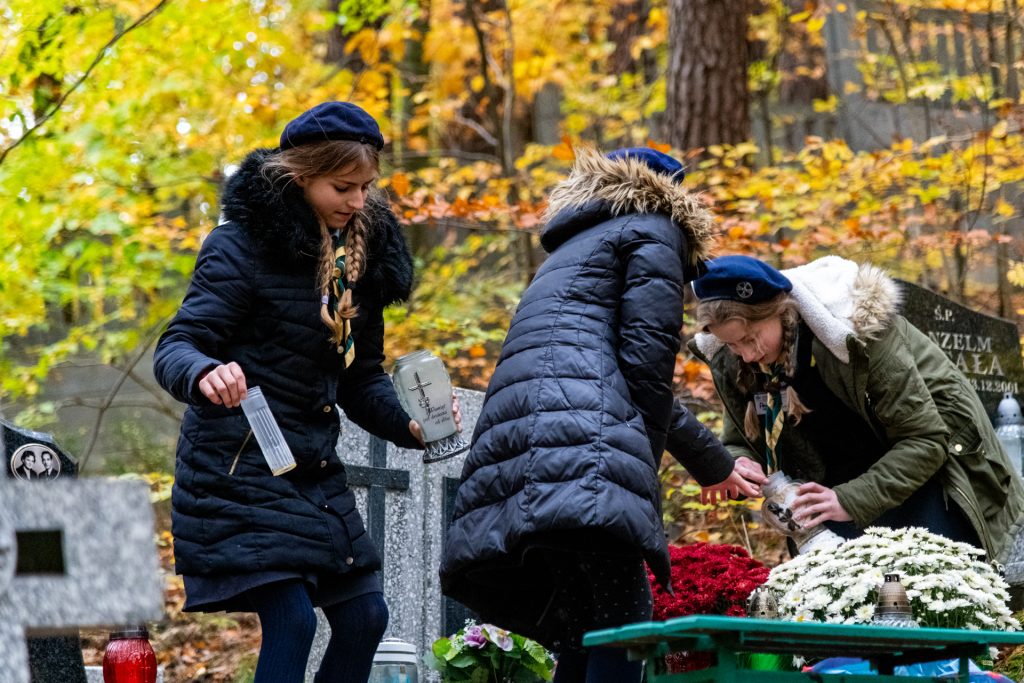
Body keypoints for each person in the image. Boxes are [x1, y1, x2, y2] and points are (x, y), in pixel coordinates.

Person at [439, 148, 763, 683]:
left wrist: (712, 464)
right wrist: (639, 482)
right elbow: (646, 373)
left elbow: (611, 380)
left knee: (583, 627)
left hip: (532, 443)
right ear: (675, 194)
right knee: (623, 622)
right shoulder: (656, 231)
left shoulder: (572, 248)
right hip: (584, 449)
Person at [154, 101, 448, 683]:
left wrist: (409, 425)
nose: (358, 201)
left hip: (311, 469)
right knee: (293, 620)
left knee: (366, 616)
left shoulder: (361, 262)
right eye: (343, 186)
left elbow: (361, 379)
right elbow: (178, 345)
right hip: (237, 470)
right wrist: (204, 372)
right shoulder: (239, 247)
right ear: (300, 174)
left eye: (366, 187)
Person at [689, 254, 1024, 561]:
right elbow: (740, 441)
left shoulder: (860, 335)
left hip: (922, 486)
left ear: (781, 311)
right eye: (733, 345)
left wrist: (849, 500)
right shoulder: (742, 366)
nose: (746, 355)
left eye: (751, 339)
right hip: (831, 500)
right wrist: (735, 463)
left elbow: (925, 440)